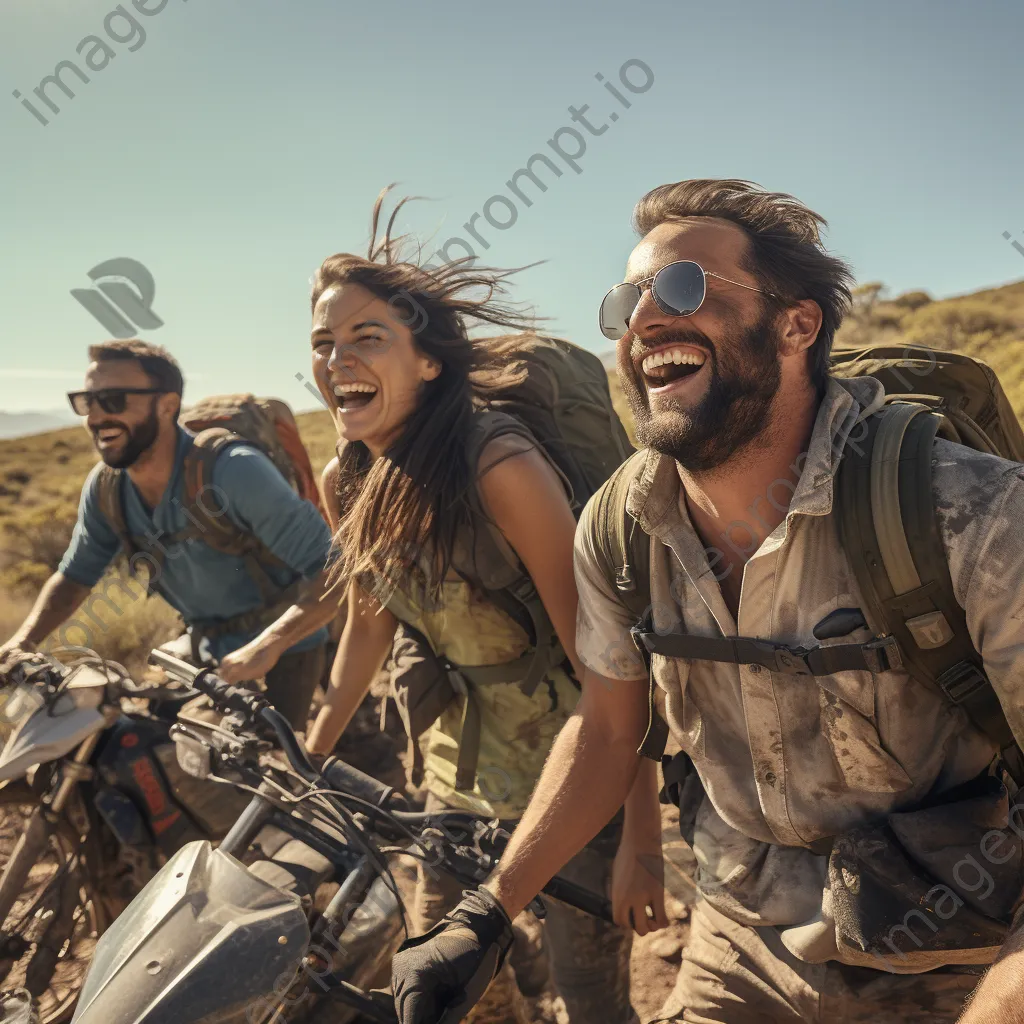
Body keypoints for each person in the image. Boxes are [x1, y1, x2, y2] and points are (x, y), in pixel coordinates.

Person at [389, 178, 1024, 1024]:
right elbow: (612, 727)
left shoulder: (971, 512)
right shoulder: (619, 529)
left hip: (951, 955)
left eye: (683, 287)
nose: (644, 321)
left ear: (797, 325)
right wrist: (488, 911)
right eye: (626, 302)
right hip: (736, 940)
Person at [223, 190, 664, 1024]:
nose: (337, 358)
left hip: (573, 784)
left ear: (428, 362)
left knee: (595, 1000)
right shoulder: (344, 473)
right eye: (323, 343)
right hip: (454, 776)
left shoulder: (501, 464)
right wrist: (310, 757)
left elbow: (609, 664)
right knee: (441, 984)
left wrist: (642, 841)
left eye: (367, 337)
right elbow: (367, 621)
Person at [0, 340, 332, 730]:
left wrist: (267, 646)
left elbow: (334, 569)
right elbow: (75, 577)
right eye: (88, 402)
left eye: (114, 399)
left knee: (269, 775)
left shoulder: (235, 472)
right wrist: (21, 643)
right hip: (202, 646)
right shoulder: (107, 488)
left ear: (167, 405)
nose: (97, 416)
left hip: (284, 646)